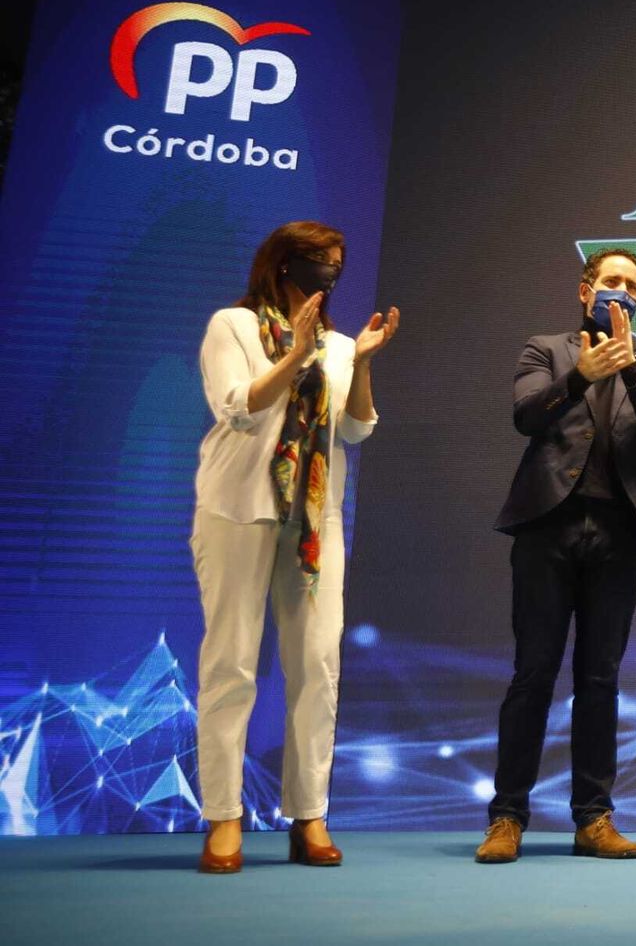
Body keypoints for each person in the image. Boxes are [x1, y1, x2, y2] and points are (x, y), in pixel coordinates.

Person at [192, 221, 399, 873]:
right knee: (231, 663)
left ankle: (309, 814)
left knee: (317, 664)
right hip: (239, 511)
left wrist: (360, 360)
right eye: (318, 259)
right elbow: (240, 409)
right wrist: (294, 355)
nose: (330, 271)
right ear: (283, 264)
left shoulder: (337, 345)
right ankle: (224, 818)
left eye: (338, 261)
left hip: (314, 521)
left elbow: (357, 430)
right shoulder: (233, 326)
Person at [476, 247, 636, 863]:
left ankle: (594, 818)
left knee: (601, 679)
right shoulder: (546, 349)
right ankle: (507, 816)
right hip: (548, 527)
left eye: (631, 286)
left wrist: (630, 371)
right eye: (611, 281)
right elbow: (525, 415)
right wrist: (584, 373)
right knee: (533, 674)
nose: (621, 291)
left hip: (619, 535)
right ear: (585, 289)